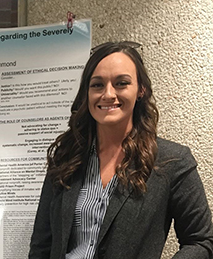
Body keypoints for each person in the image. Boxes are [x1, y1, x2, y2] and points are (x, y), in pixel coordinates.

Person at [28, 41, 213, 259]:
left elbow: (201, 241)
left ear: (141, 90)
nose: (108, 94)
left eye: (121, 83)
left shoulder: (172, 161)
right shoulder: (67, 158)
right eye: (97, 85)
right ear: (86, 93)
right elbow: (41, 246)